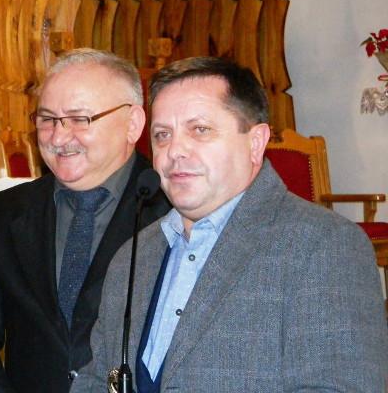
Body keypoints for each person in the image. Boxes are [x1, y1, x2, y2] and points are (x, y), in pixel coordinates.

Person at [71, 56, 388, 392]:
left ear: (255, 142)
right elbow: (96, 379)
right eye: (162, 135)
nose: (174, 150)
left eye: (200, 130)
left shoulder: (324, 247)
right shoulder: (132, 256)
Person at [0, 48, 171, 392]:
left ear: (133, 123)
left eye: (80, 119)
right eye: (47, 119)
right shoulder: (7, 213)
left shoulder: (173, 211)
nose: (58, 137)